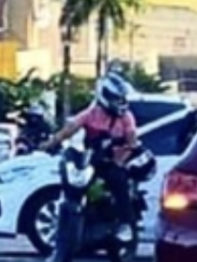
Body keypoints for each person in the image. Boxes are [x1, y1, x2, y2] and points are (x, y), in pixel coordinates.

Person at [40, 73, 139, 243]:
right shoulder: (91, 114)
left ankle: (125, 223)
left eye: (121, 98)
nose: (119, 101)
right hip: (92, 159)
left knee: (118, 181)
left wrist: (122, 155)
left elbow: (132, 140)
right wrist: (51, 143)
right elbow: (70, 129)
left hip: (115, 161)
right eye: (115, 98)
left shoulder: (126, 118)